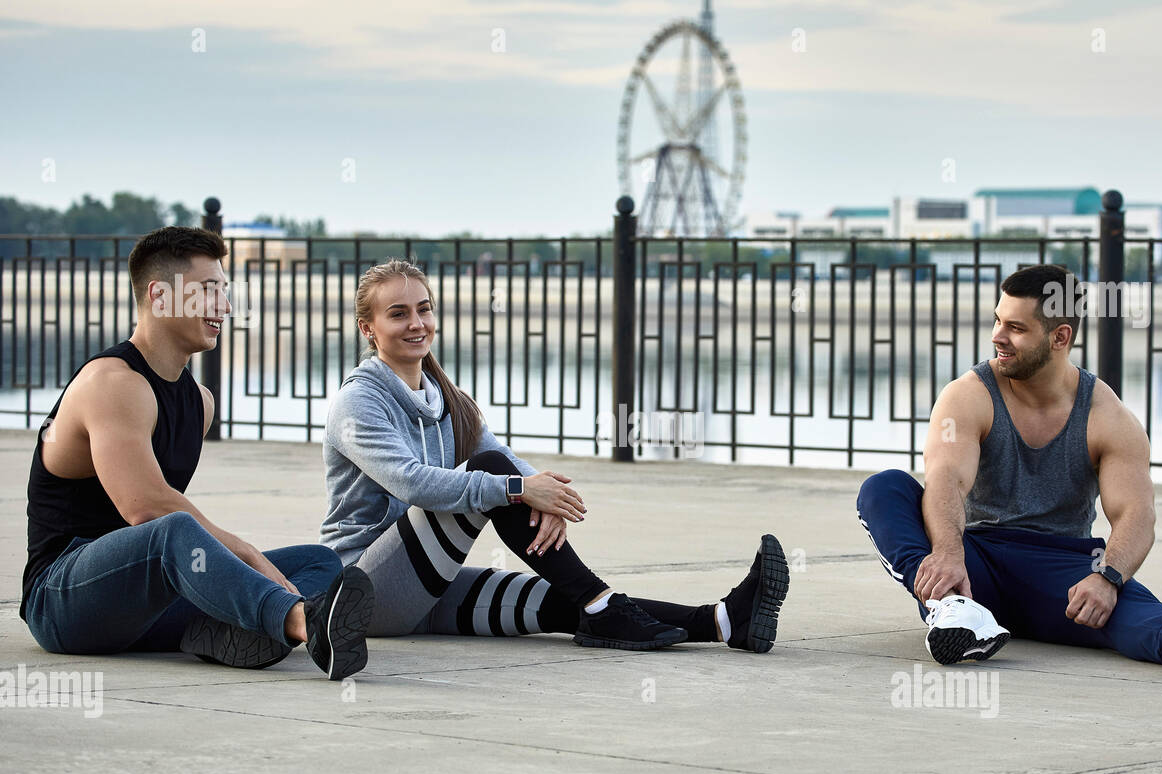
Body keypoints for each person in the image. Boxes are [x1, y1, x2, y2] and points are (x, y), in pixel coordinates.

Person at [316, 258, 789, 653]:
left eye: (424, 309)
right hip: (364, 590)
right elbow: (413, 483)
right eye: (398, 314)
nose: (417, 324)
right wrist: (522, 489)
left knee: (569, 601)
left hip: (428, 588)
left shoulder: (446, 396)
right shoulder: (358, 401)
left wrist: (541, 497)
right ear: (369, 328)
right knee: (496, 478)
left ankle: (724, 622)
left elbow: (498, 452)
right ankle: (602, 605)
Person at [855, 264, 1162, 676]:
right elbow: (947, 480)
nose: (997, 336)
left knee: (1115, 605)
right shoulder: (968, 396)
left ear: (1059, 336)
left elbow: (1136, 513)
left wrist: (1108, 579)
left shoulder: (1107, 416)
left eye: (1015, 327)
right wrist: (948, 553)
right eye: (997, 320)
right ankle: (954, 610)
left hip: (1061, 569)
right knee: (885, 489)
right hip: (976, 562)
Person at [19, 226, 374, 681]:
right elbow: (146, 509)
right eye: (209, 292)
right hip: (65, 601)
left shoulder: (200, 403)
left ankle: (222, 631)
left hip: (152, 608)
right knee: (173, 529)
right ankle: (302, 622)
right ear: (161, 296)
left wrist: (245, 564)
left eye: (224, 293)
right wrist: (246, 553)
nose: (225, 307)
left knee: (318, 561)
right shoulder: (111, 382)